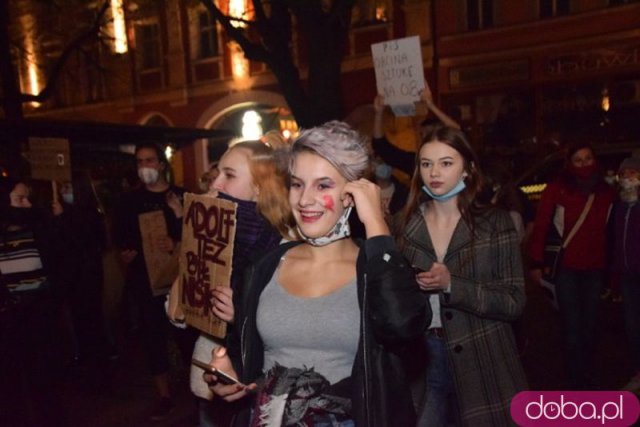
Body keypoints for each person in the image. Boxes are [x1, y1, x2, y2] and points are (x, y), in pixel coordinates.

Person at [204, 121, 429, 426]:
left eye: (323, 185)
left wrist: (377, 224)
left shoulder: (376, 267)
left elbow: (404, 326)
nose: (304, 199)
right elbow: (252, 362)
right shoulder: (265, 266)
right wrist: (231, 376)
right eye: (297, 184)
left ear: (351, 195)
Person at [396, 125, 527, 426]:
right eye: (426, 163)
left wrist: (452, 285)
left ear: (467, 169)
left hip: (484, 356)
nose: (434, 173)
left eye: (446, 163)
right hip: (422, 358)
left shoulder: (495, 223)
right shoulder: (402, 225)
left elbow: (514, 301)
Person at [167, 139, 291, 426]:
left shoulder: (285, 245)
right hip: (214, 385)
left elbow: (292, 330)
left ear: (259, 188)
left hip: (262, 386)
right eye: (217, 173)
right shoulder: (211, 236)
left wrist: (242, 317)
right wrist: (194, 243)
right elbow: (178, 315)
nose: (217, 183)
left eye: (230, 175)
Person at [113, 142, 197, 421]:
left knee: (188, 337)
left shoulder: (182, 197)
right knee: (153, 338)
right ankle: (163, 396)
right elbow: (120, 238)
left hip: (180, 282)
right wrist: (125, 253)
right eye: (139, 162)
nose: (144, 166)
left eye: (149, 160)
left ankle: (197, 391)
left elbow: (196, 237)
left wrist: (177, 226)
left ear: (161, 164)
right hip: (144, 282)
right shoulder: (128, 201)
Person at [528, 142, 615, 389]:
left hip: (595, 269)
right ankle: (575, 378)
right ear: (570, 164)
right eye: (578, 160)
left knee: (590, 325)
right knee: (572, 325)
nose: (584, 164)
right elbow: (542, 225)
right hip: (567, 269)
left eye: (588, 158)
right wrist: (536, 263)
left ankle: (587, 373)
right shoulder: (558, 189)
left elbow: (610, 231)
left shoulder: (606, 192)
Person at [0, 177, 68, 425]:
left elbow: (62, 261)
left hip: (40, 318)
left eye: (27, 198)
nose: (27, 204)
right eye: (20, 199)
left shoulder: (39, 227)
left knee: (44, 384)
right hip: (9, 323)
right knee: (10, 389)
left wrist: (59, 221)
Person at [372, 85, 461, 176]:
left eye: (430, 134)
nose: (425, 138)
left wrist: (430, 105)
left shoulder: (453, 160)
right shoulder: (414, 163)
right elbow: (380, 146)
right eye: (421, 135)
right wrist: (379, 113)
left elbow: (459, 134)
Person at [610, 157, 640, 392]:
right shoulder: (618, 206)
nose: (629, 178)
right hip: (627, 276)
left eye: (634, 173)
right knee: (632, 327)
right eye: (625, 173)